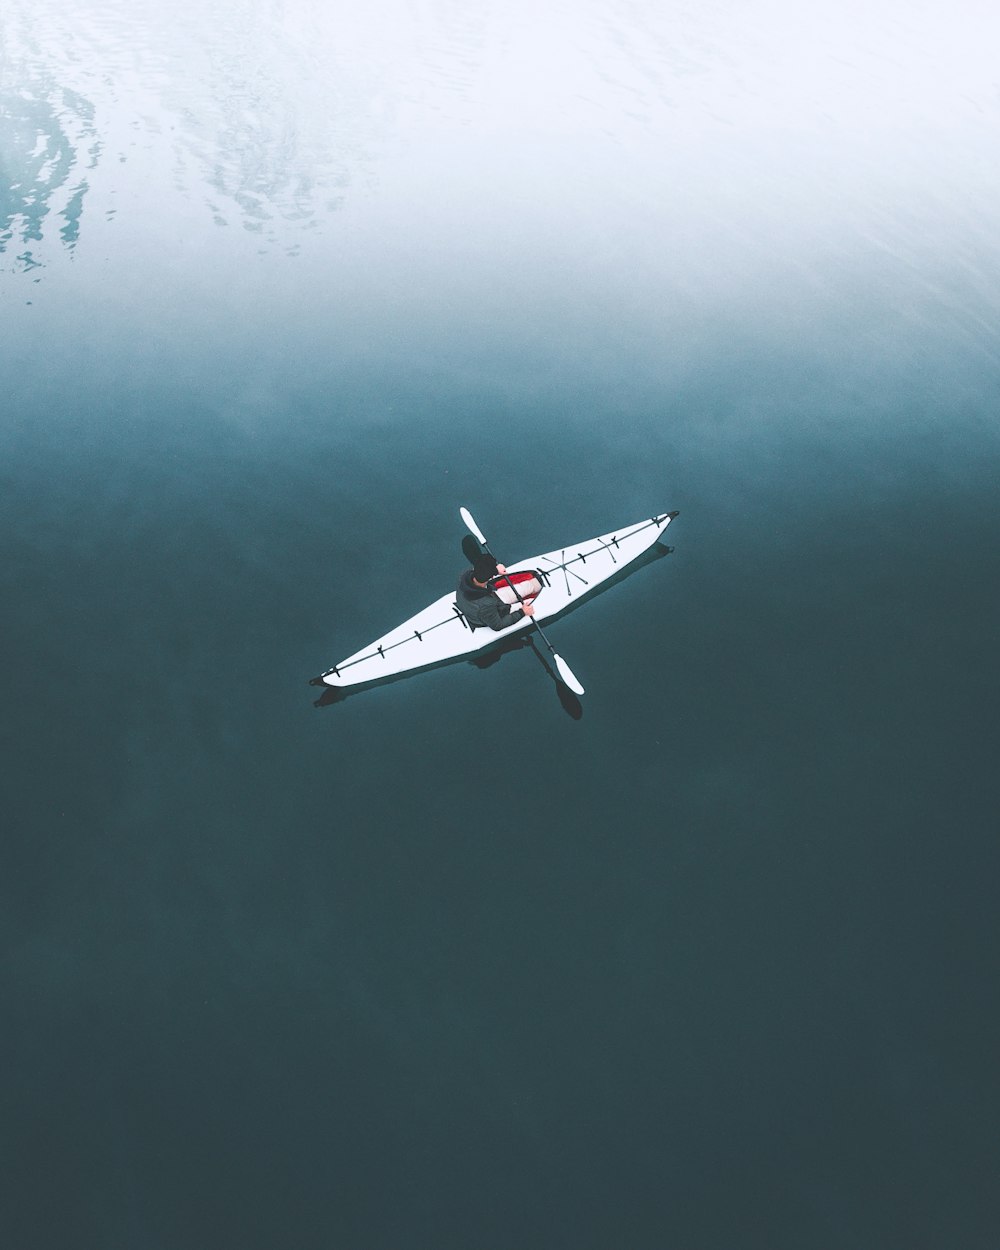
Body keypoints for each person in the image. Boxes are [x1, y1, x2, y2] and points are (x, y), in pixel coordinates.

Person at [455, 553, 536, 631]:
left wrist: (496, 571)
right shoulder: (486, 605)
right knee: (531, 604)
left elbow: (481, 570)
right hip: (497, 612)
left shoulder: (464, 576)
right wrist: (522, 612)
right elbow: (497, 625)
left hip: (492, 599)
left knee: (530, 586)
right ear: (491, 577)